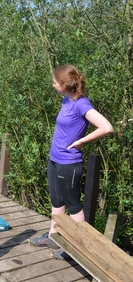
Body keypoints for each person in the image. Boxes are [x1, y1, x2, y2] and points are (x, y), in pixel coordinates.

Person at [28, 64, 113, 260]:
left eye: (56, 82)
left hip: (69, 163)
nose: (53, 84)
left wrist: (82, 141)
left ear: (65, 85)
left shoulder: (81, 104)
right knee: (57, 202)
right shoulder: (66, 100)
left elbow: (106, 127)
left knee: (73, 205)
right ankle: (54, 236)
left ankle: (76, 247)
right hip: (54, 159)